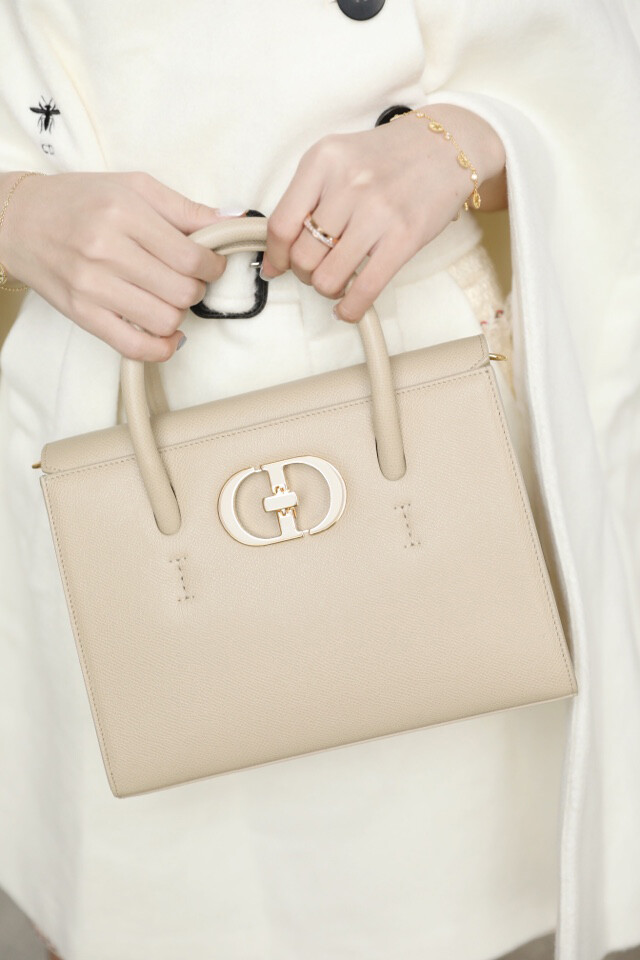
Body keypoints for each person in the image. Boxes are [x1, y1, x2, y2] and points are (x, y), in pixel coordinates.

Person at [0, 2, 638, 959]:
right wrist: (14, 212)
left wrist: (463, 138)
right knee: (150, 900)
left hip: (419, 384)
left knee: (459, 878)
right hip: (108, 396)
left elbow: (591, 58)